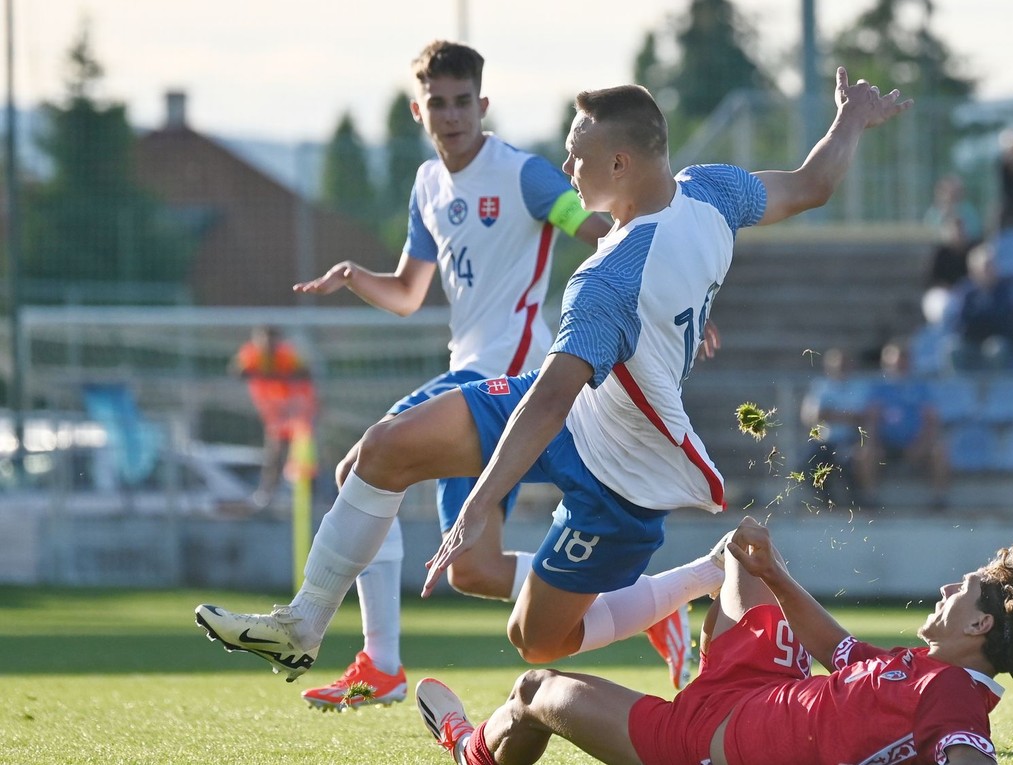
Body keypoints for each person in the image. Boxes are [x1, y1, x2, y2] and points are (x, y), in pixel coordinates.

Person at [194, 68, 912, 690]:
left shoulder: (609, 278)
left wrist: (481, 500)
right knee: (385, 448)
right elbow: (813, 183)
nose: (567, 168)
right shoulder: (712, 191)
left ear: (622, 163)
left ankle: (695, 578)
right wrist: (850, 118)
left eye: (577, 157)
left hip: (624, 471)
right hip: (578, 412)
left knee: (536, 641)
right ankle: (303, 623)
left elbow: (547, 399)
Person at [275, 42, 615, 709]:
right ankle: (636, 599)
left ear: (483, 105)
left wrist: (657, 284)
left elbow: (595, 229)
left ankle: (380, 660)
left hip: (511, 380)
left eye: (464, 101)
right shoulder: (428, 185)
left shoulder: (523, 175)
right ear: (418, 109)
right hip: (468, 373)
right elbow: (408, 293)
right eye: (439, 103)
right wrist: (354, 277)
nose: (452, 114)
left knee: (360, 469)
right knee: (474, 570)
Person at [414, 516, 1013, 765]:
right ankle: (675, 616)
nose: (947, 587)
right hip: (761, 685)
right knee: (740, 550)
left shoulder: (952, 693)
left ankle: (472, 750)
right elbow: (841, 650)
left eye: (962, 588)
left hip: (698, 742)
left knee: (535, 690)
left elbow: (968, 753)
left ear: (980, 625)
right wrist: (777, 574)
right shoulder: (920, 666)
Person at [229, 325, 317, 509]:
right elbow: (237, 372)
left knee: (299, 450)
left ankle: (306, 494)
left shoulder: (288, 356)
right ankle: (268, 493)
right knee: (275, 451)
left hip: (295, 408)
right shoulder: (251, 355)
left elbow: (305, 374)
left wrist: (280, 378)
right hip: (274, 410)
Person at [864, 341, 950, 511]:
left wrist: (922, 444)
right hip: (886, 444)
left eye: (904, 361)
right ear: (886, 363)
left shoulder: (921, 388)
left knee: (940, 451)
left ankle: (938, 499)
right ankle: (870, 498)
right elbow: (871, 420)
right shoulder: (878, 388)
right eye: (896, 361)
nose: (900, 365)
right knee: (865, 454)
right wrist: (875, 443)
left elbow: (931, 420)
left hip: (916, 443)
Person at [799, 347, 872, 507]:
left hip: (850, 439)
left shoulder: (860, 387)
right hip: (824, 440)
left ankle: (856, 502)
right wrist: (848, 416)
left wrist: (831, 414)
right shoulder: (820, 386)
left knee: (852, 460)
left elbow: (864, 416)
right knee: (808, 462)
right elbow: (811, 415)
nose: (841, 368)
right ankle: (825, 501)